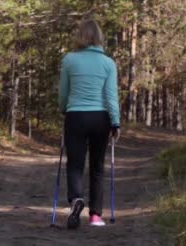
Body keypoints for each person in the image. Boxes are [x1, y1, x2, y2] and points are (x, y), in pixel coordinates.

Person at [58, 19, 121, 229]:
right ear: (100, 37)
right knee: (97, 167)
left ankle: (76, 199)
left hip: (75, 116)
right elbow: (111, 96)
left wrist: (63, 108)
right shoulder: (108, 63)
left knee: (75, 164)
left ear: (80, 36)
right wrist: (115, 122)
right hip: (100, 118)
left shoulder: (69, 59)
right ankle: (95, 215)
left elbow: (64, 92)